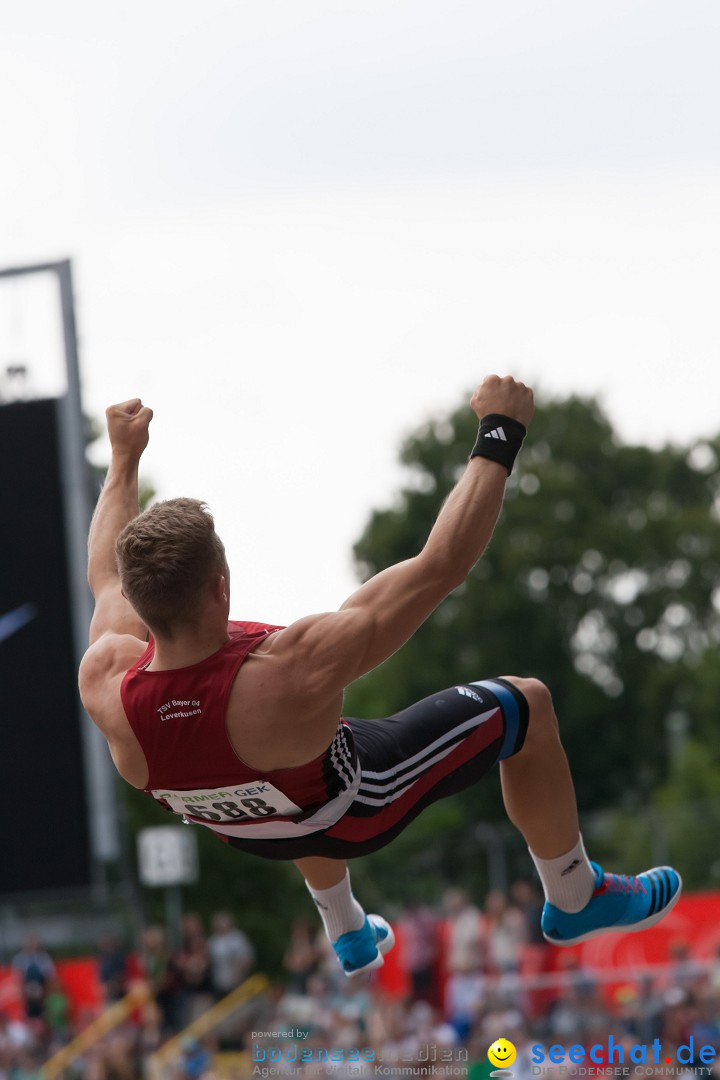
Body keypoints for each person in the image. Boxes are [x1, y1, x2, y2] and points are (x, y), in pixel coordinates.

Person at [78, 376, 682, 978]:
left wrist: (123, 459)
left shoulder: (106, 679)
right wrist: (501, 432)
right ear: (221, 587)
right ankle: (575, 892)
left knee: (276, 772)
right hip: (360, 807)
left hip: (249, 831)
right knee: (527, 703)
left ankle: (347, 928)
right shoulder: (294, 670)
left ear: (139, 602)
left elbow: (105, 577)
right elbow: (440, 566)